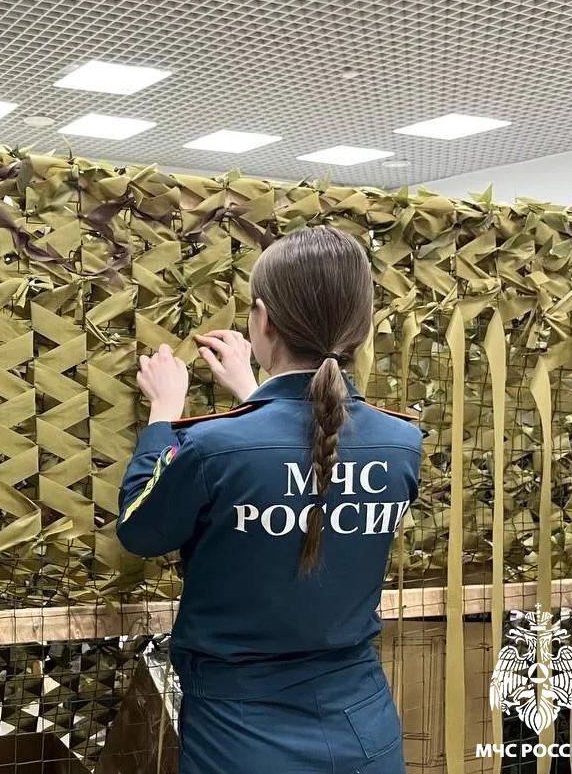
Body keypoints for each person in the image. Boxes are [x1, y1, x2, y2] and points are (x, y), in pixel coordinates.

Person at [118, 226, 421, 774]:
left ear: (262, 320)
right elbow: (307, 458)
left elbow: (141, 529)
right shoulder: (401, 444)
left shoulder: (212, 447)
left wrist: (164, 412)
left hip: (240, 735)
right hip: (364, 729)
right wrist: (254, 394)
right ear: (361, 328)